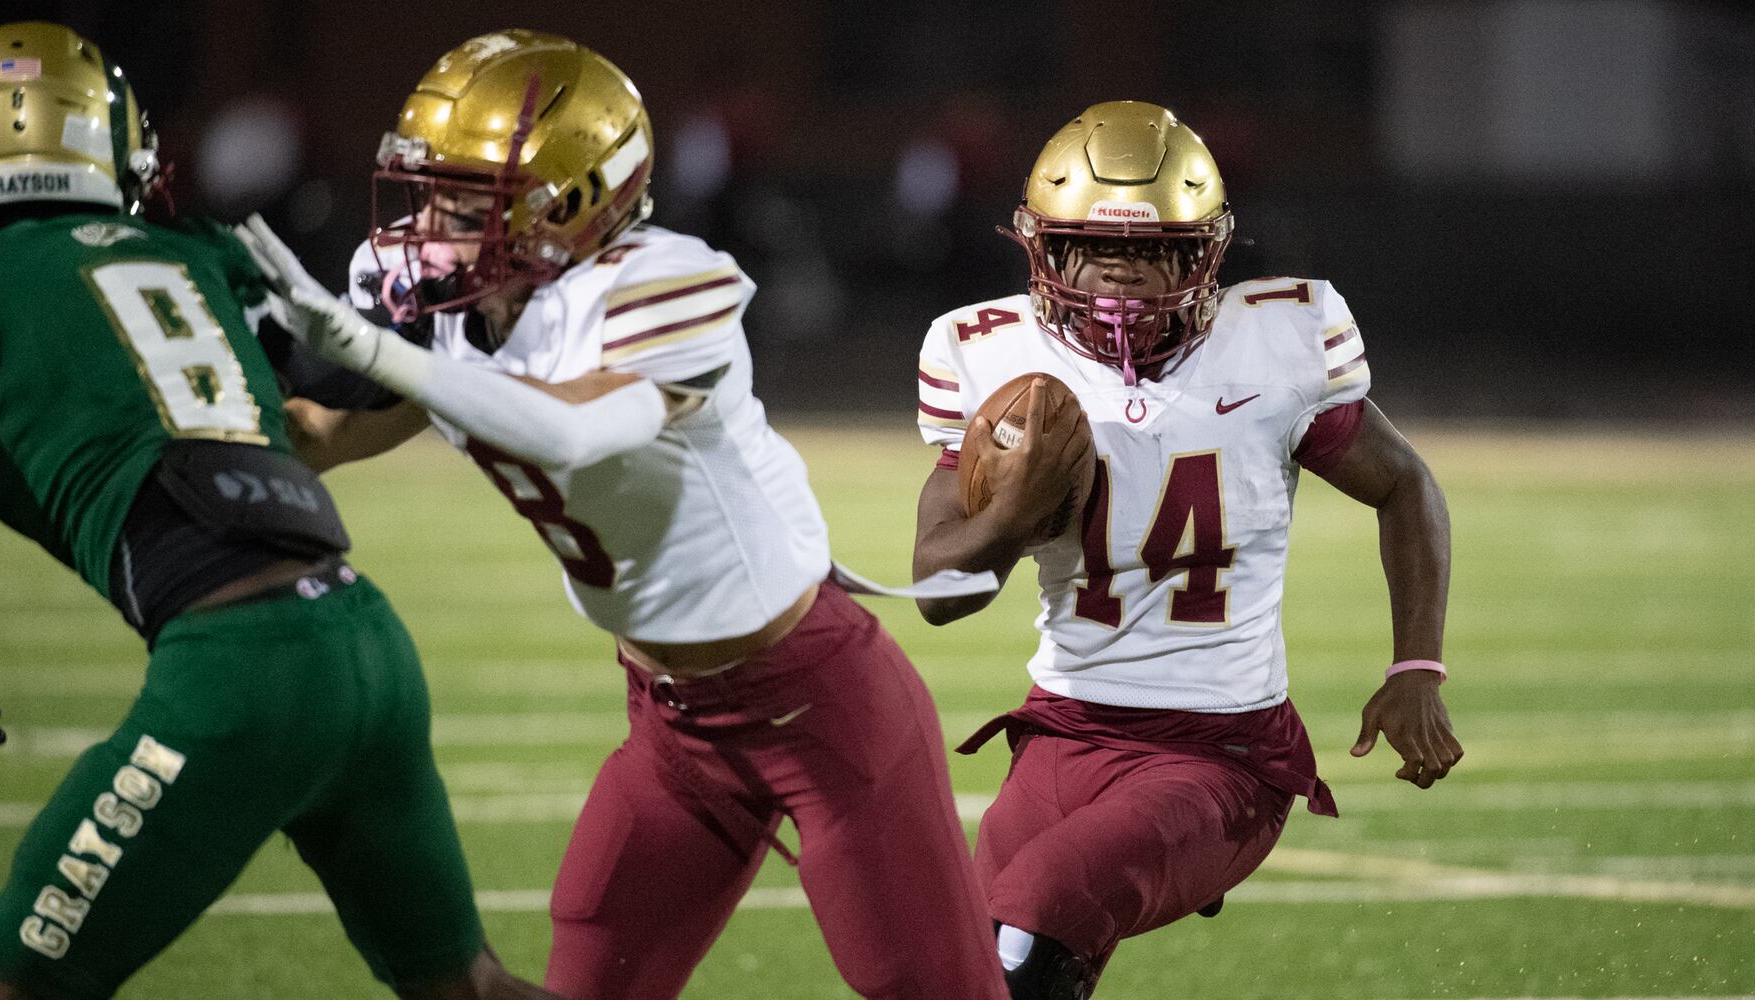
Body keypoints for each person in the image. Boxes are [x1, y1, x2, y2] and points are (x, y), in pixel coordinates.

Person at [238, 29, 1008, 1000]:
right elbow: (322, 432)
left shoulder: (662, 282)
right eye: (430, 187)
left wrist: (380, 352)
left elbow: (570, 431)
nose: (432, 219)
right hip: (670, 725)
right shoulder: (450, 304)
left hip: (820, 705)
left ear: (568, 200)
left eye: (466, 195)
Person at [0, 23, 561, 1000]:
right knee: (470, 988)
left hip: (238, 674)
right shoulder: (190, 247)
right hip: (367, 645)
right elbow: (348, 380)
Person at [910, 101, 1464, 999]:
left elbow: (1404, 485)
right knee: (968, 970)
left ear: (1205, 252)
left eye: (1154, 248)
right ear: (1042, 251)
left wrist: (1417, 666)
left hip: (1221, 752)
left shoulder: (1276, 342)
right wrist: (1007, 517)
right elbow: (938, 595)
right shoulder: (987, 354)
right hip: (1059, 734)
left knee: (1038, 921)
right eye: (1090, 245)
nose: (1120, 273)